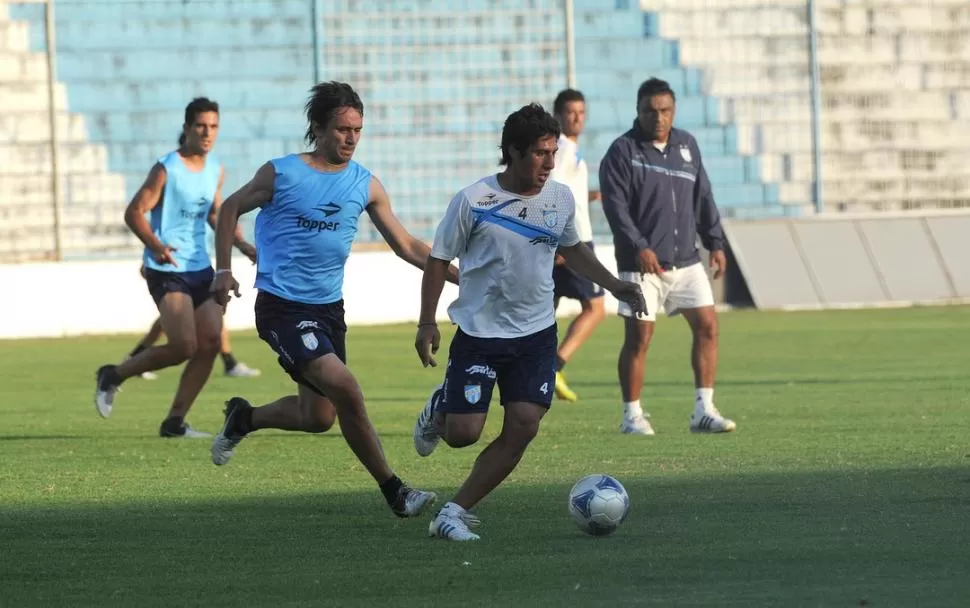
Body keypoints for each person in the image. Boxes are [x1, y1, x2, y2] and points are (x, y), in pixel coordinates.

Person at [209, 81, 457, 519]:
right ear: (318, 128)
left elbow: (406, 244)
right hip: (282, 307)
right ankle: (395, 491)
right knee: (346, 388)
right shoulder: (281, 173)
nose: (351, 138)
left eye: (357, 129)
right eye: (342, 129)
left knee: (319, 416)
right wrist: (224, 270)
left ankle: (243, 419)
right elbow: (229, 209)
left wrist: (459, 277)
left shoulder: (365, 184)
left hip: (328, 311)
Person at [411, 103, 647, 541]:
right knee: (463, 434)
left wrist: (615, 285)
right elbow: (438, 259)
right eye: (540, 153)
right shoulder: (474, 200)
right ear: (513, 152)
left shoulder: (559, 198)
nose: (549, 163)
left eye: (553, 153)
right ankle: (440, 409)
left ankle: (454, 512)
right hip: (481, 334)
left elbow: (574, 250)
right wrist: (427, 322)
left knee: (523, 425)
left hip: (536, 334)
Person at [93, 97, 257, 438]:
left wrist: (240, 243)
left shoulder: (216, 169)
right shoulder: (167, 167)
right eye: (200, 125)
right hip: (166, 268)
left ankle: (175, 422)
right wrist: (155, 245)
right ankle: (114, 374)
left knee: (210, 344)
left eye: (213, 126)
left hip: (200, 268)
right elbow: (134, 212)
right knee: (184, 346)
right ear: (186, 129)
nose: (207, 132)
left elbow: (215, 214)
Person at [599, 77, 736, 436]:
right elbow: (615, 208)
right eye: (650, 111)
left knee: (708, 327)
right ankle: (632, 416)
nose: (658, 118)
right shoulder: (622, 152)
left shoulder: (687, 146)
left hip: (687, 260)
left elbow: (702, 197)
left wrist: (715, 242)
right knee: (639, 338)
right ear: (638, 112)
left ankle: (703, 411)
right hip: (642, 265)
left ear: (673, 111)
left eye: (664, 110)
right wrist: (638, 245)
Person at [548, 88, 605, 403]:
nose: (577, 118)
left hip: (565, 239)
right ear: (557, 114)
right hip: (573, 242)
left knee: (544, 312)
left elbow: (565, 191)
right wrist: (557, 241)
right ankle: (553, 367)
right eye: (571, 112)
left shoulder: (567, 148)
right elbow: (551, 191)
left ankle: (527, 373)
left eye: (581, 112)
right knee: (595, 308)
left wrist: (590, 195)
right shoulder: (562, 148)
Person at [125, 307, 262, 380]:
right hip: (181, 275)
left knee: (214, 315)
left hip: (194, 272)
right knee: (173, 320)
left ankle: (135, 356)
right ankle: (132, 361)